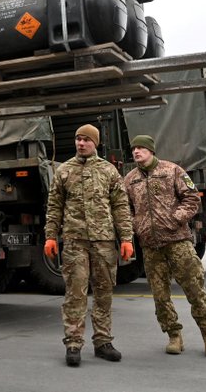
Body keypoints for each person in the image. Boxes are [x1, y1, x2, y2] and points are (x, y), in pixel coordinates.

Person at [43, 124, 134, 367]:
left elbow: (121, 207)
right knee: (75, 293)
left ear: (95, 143)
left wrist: (126, 238)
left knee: (104, 292)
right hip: (75, 241)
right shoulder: (64, 171)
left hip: (104, 241)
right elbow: (54, 207)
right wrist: (50, 235)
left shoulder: (108, 171)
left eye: (86, 140)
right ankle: (73, 343)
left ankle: (103, 341)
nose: (81, 143)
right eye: (78, 139)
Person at [123, 135, 206, 357]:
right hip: (150, 246)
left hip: (178, 242)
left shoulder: (172, 170)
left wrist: (176, 218)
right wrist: (135, 225)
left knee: (194, 289)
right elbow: (124, 208)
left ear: (151, 151)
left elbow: (192, 198)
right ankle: (174, 335)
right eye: (134, 149)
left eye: (141, 148)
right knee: (160, 295)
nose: (136, 152)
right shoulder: (130, 179)